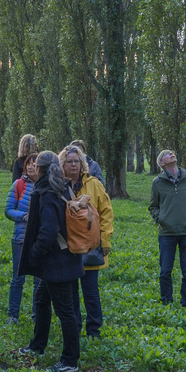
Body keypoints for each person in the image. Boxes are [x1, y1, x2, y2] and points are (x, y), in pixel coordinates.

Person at [17, 151, 84, 372]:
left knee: (66, 312)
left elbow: (48, 231)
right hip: (66, 258)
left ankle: (69, 361)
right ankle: (38, 346)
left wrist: (34, 254)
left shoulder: (46, 192)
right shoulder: (61, 187)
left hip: (56, 263)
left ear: (40, 168)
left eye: (35, 164)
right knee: (42, 300)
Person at [60, 144, 114, 337]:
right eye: (69, 162)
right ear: (62, 164)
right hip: (68, 247)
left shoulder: (94, 184)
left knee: (90, 291)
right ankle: (75, 327)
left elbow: (106, 213)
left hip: (91, 247)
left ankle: (94, 330)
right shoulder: (59, 185)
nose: (73, 165)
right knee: (71, 292)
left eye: (76, 161)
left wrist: (105, 241)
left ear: (82, 163)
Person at [149, 149, 186, 307]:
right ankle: (166, 302)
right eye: (166, 154)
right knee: (165, 271)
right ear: (162, 163)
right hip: (166, 234)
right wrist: (161, 219)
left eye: (172, 153)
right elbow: (153, 206)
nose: (171, 154)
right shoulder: (157, 182)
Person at [4, 152, 39, 324]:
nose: (31, 166)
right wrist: (22, 216)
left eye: (35, 163)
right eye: (29, 163)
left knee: (39, 280)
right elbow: (8, 210)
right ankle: (13, 315)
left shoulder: (47, 186)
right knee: (18, 278)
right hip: (21, 238)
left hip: (39, 240)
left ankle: (37, 315)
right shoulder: (18, 185)